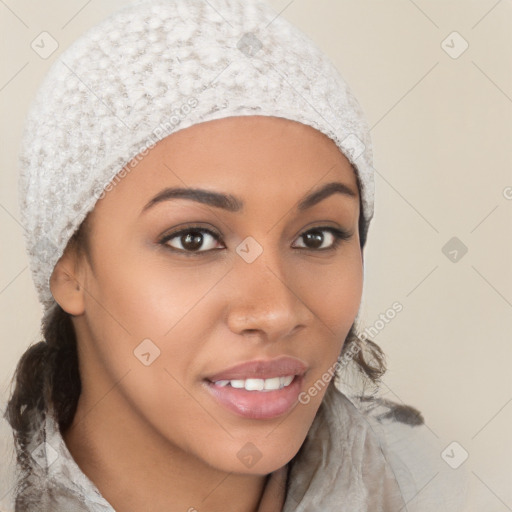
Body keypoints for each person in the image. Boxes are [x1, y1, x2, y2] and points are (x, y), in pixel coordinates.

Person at [3, 0, 468, 510]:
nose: (275, 311)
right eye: (193, 239)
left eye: (316, 237)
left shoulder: (455, 486)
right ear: (69, 267)